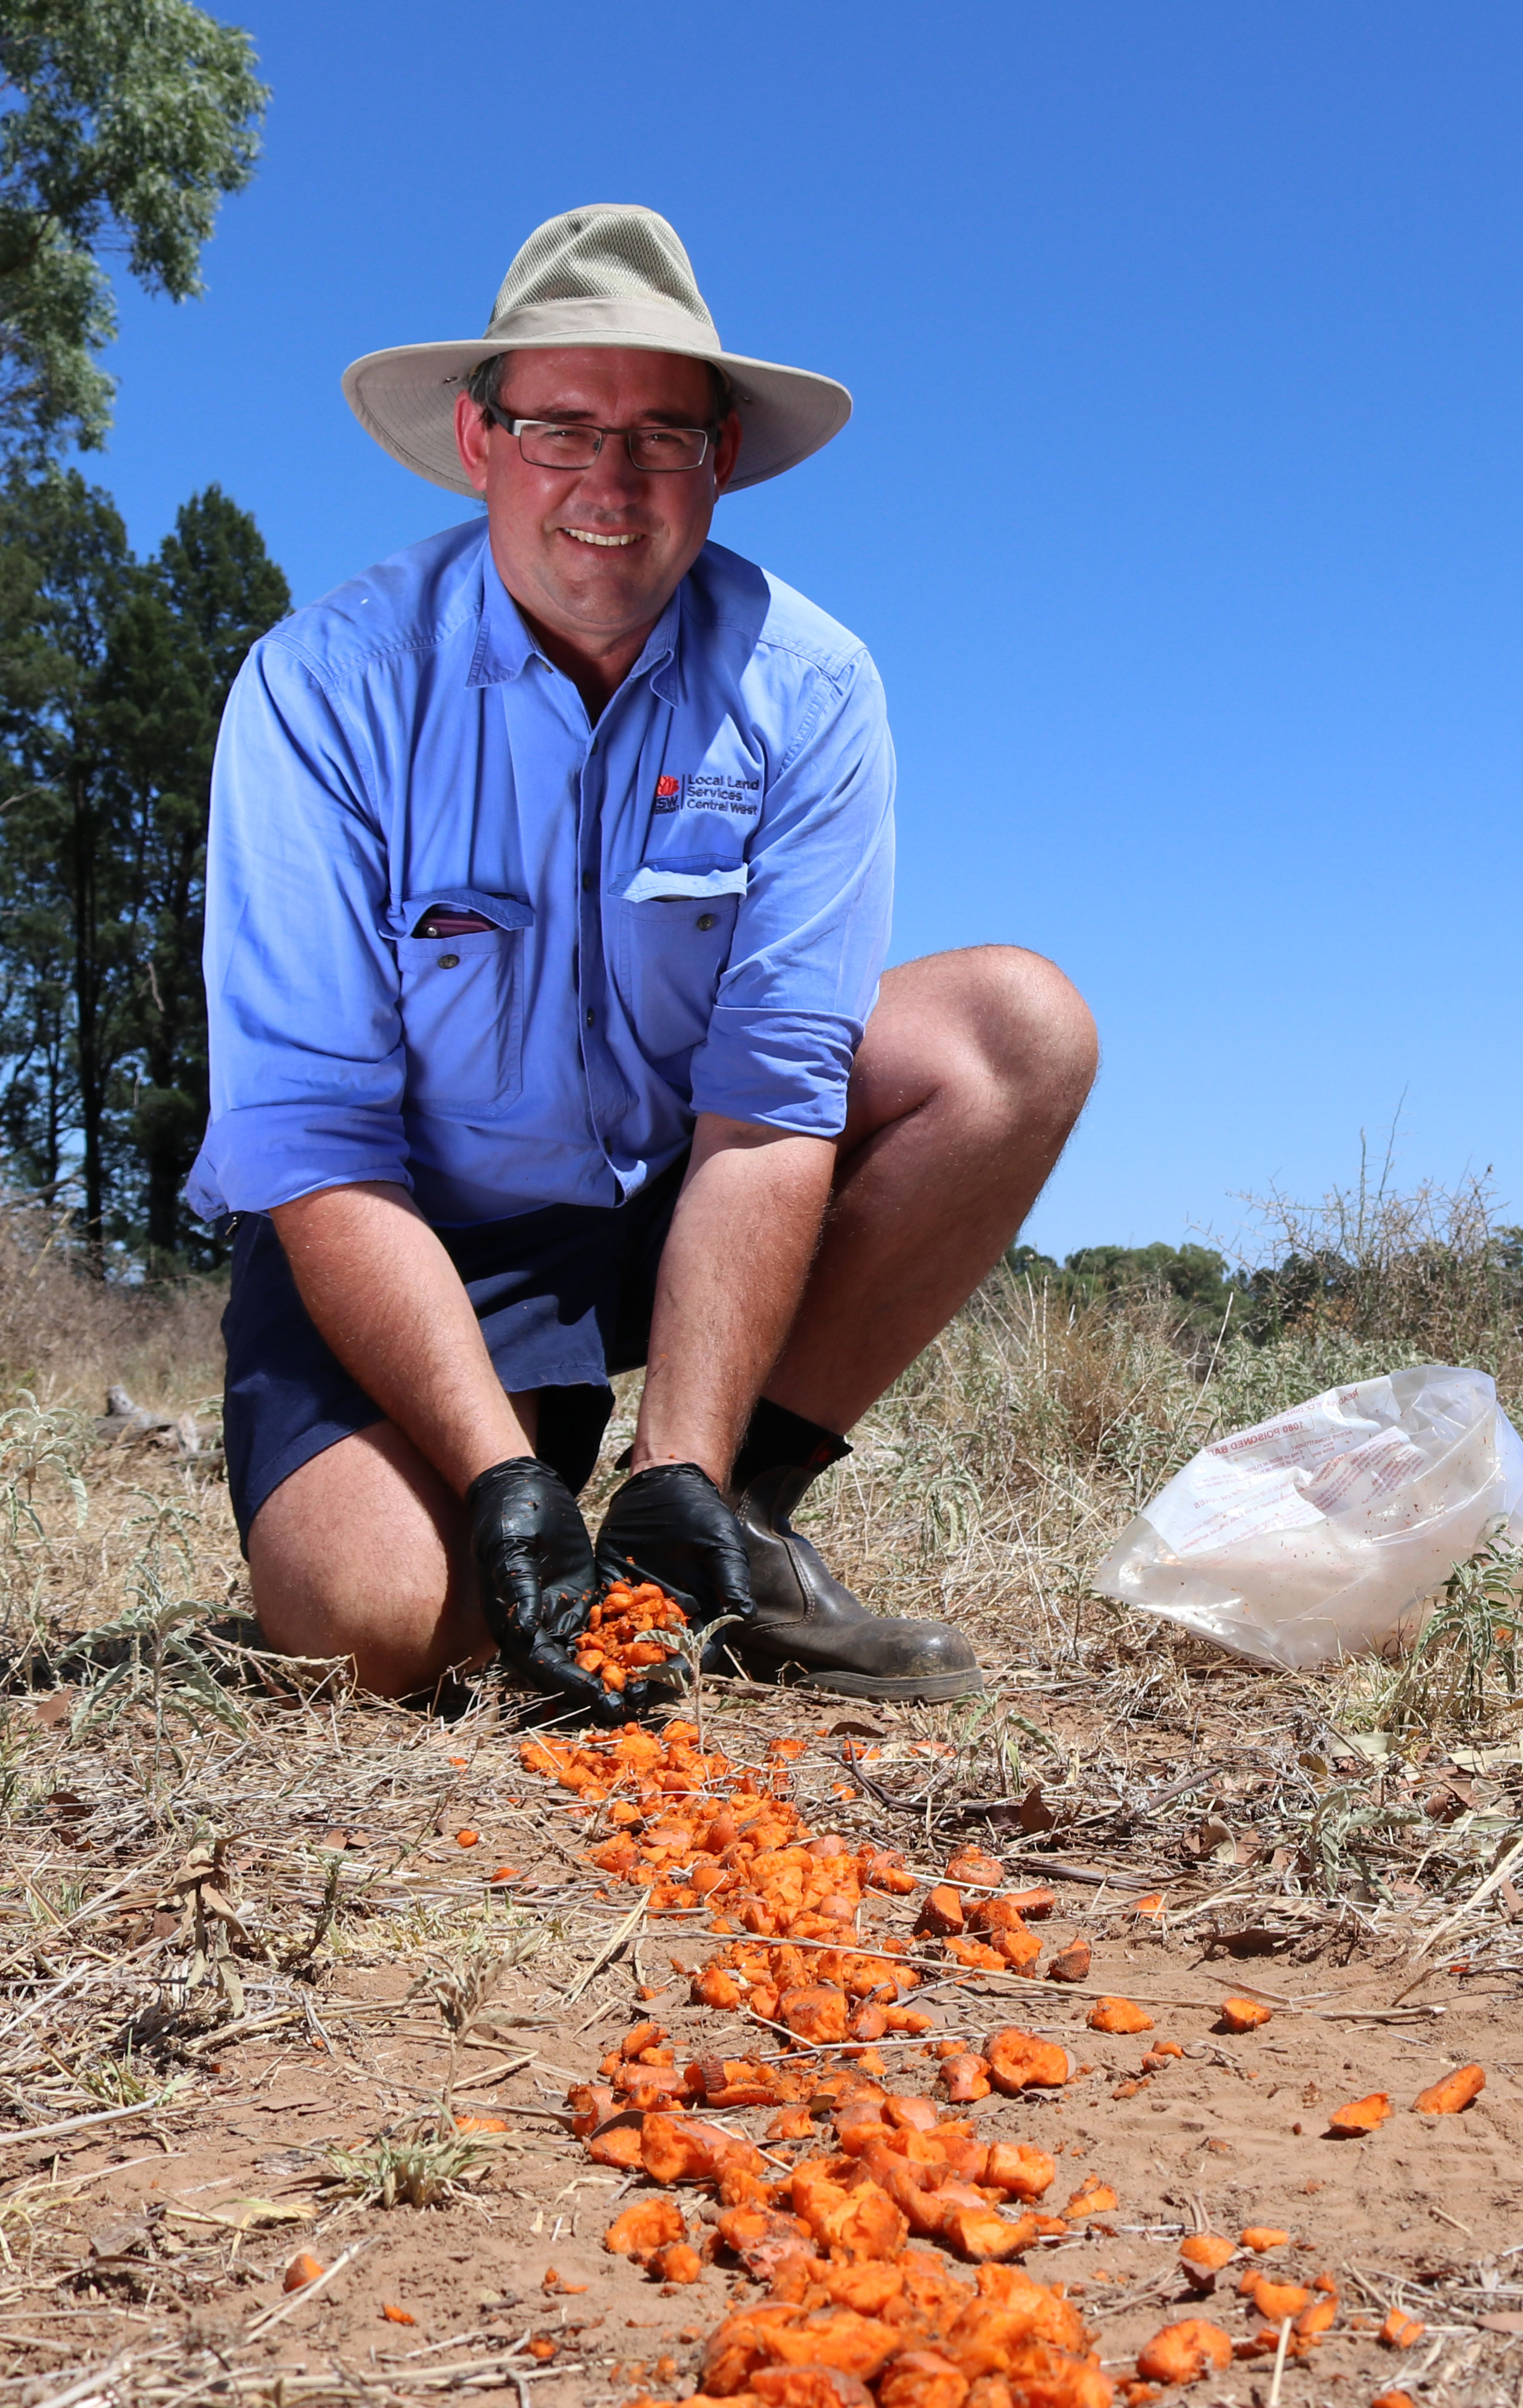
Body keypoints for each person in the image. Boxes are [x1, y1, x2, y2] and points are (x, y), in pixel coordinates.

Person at [182, 204, 1095, 1718]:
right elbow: (318, 1146)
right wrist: (492, 1473)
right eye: (561, 426)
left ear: (722, 458)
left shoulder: (811, 685)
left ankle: (726, 1513)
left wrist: (674, 1455)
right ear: (478, 438)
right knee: (380, 1625)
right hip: (417, 1216)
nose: (610, 482)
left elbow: (768, 1102)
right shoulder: (322, 688)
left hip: (677, 1183)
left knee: (1017, 1029)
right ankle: (515, 1471)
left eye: (662, 435)